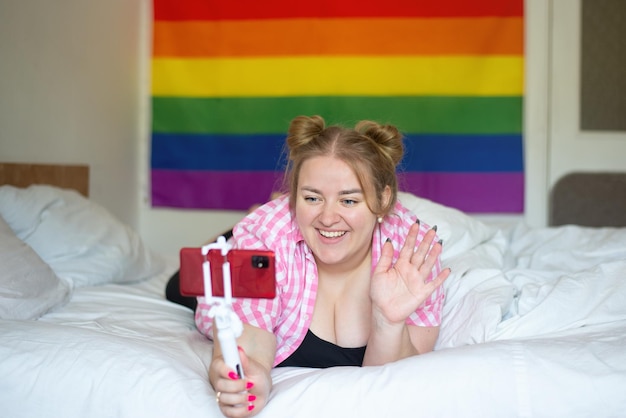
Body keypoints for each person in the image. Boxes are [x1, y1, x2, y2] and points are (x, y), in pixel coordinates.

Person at [195, 115, 451, 417]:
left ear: (382, 201)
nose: (328, 218)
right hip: (249, 251)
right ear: (294, 197)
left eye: (349, 201)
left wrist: (388, 322)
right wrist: (249, 381)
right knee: (192, 276)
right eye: (312, 197)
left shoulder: (413, 254)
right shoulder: (265, 237)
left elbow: (399, 380)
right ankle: (234, 232)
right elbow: (247, 341)